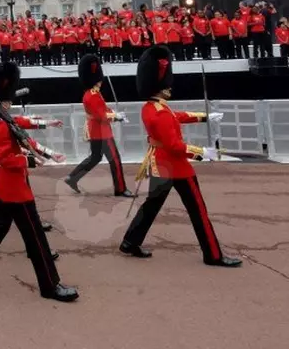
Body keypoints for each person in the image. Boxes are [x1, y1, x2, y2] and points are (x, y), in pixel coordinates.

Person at [0, 63, 79, 302]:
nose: (10, 102)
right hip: (14, 188)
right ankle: (50, 285)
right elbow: (6, 157)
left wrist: (45, 125)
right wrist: (31, 161)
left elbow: (19, 123)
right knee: (36, 238)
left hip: (7, 186)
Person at [120, 46, 240, 266]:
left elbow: (177, 116)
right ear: (160, 87)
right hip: (177, 167)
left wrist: (205, 117)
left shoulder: (151, 108)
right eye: (167, 86)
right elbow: (175, 146)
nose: (170, 88)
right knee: (198, 210)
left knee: (151, 206)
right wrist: (203, 152)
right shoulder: (160, 112)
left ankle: (130, 241)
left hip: (159, 165)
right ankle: (213, 255)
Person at [64, 55, 133, 197]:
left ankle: (73, 177)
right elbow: (102, 116)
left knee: (95, 157)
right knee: (115, 159)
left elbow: (103, 110)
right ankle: (120, 189)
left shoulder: (91, 94)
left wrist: (115, 114)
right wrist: (116, 116)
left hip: (96, 131)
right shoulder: (93, 95)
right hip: (102, 132)